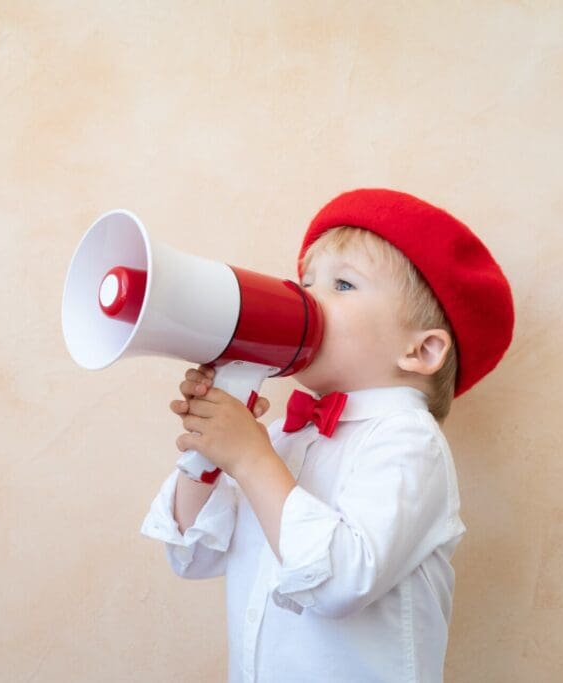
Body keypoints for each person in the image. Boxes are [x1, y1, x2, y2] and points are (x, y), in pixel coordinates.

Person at [140, 188, 514, 682]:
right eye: (306, 281)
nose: (306, 299)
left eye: (342, 285)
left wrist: (250, 458)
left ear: (421, 351)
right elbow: (194, 555)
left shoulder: (409, 443)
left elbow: (340, 581)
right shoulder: (283, 438)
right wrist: (208, 454)